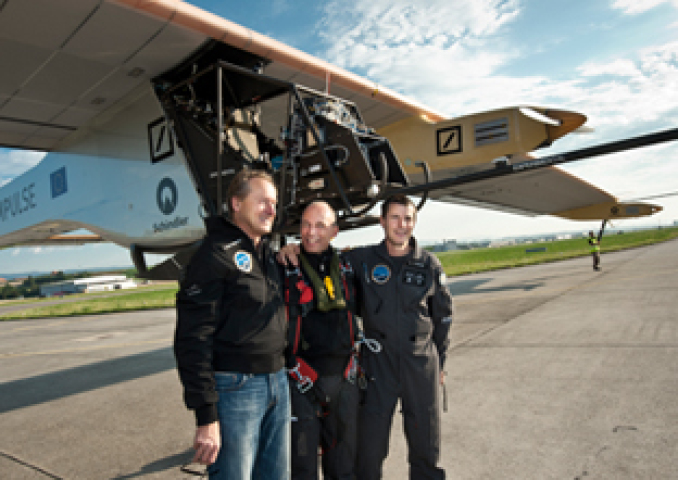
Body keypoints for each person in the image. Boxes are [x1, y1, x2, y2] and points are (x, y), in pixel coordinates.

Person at [280, 194, 454, 479]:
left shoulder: (429, 265)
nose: (401, 225)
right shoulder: (360, 260)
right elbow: (321, 251)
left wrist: (441, 364)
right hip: (378, 367)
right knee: (368, 452)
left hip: (420, 367)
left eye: (407, 218)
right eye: (394, 218)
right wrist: (292, 249)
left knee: (426, 448)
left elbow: (443, 318)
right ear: (382, 222)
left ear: (414, 222)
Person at [174, 169, 290, 479]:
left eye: (275, 203)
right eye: (263, 201)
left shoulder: (266, 252)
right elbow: (191, 340)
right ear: (236, 204)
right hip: (237, 389)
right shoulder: (212, 256)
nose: (271, 210)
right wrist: (206, 416)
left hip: (278, 383)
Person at [285, 201, 361, 480]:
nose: (310, 232)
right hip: (301, 382)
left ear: (334, 232)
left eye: (319, 225)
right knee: (302, 469)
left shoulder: (349, 268)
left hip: (343, 379)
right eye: (305, 224)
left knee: (343, 467)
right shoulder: (285, 266)